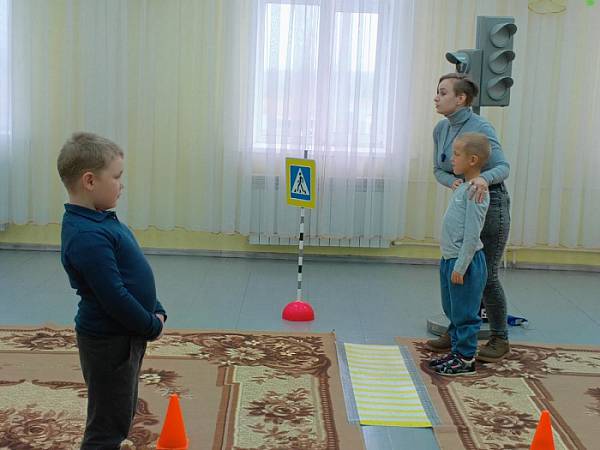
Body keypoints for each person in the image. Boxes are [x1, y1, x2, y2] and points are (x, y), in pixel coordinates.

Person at [57, 132, 167, 449]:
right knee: (107, 426)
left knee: (121, 409)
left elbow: (130, 275)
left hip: (124, 335)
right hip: (109, 342)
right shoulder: (86, 236)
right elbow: (114, 296)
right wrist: (151, 326)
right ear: (90, 181)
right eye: (117, 177)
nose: (122, 185)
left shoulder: (99, 221)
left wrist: (155, 307)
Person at [425, 73, 511, 362]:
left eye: (442, 92)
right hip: (464, 200)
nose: (436, 97)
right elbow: (439, 170)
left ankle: (499, 338)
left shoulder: (481, 127)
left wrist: (482, 180)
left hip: (489, 200)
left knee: (484, 276)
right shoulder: (441, 129)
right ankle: (457, 332)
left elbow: (503, 167)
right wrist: (452, 182)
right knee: (456, 272)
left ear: (461, 98)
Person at [428, 132, 490, 376]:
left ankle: (465, 358)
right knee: (452, 310)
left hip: (465, 263)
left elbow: (473, 235)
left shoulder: (477, 191)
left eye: (456, 154)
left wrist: (461, 266)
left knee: (465, 314)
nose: (451, 159)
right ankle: (456, 351)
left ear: (472, 160)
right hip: (450, 258)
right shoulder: (464, 187)